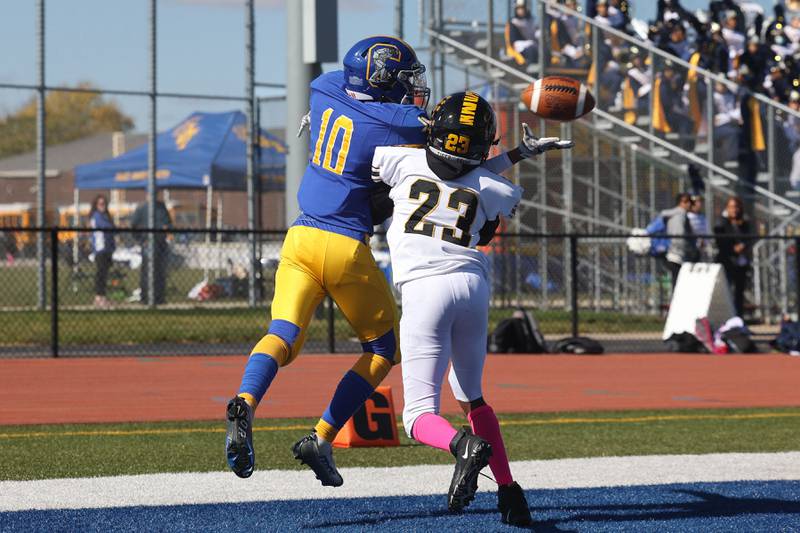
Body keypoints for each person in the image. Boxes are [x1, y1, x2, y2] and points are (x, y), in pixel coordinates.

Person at [224, 35, 569, 488]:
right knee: (384, 351)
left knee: (282, 335)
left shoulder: (324, 88)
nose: (413, 90)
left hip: (300, 237)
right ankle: (321, 436)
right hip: (346, 245)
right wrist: (516, 154)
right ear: (383, 78)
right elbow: (456, 157)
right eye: (406, 80)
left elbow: (362, 105)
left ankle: (245, 401)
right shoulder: (401, 126)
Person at [372, 92, 571, 525]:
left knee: (419, 415)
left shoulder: (398, 161)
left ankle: (463, 447)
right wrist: (516, 155)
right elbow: (472, 178)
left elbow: (444, 168)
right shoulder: (497, 186)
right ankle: (510, 491)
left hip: (426, 289)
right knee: (471, 397)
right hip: (472, 285)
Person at [131, 190, 172, 305]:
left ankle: (159, 297)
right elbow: (133, 226)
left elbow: (168, 223)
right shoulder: (142, 208)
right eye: (150, 194)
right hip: (147, 243)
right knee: (146, 271)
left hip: (160, 243)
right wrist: (140, 240)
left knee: (160, 271)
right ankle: (145, 297)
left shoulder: (161, 207)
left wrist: (166, 229)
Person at [715, 196, 752, 316]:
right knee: (727, 292)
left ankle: (739, 320)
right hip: (728, 262)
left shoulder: (744, 223)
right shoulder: (722, 223)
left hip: (741, 263)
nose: (734, 210)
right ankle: (727, 319)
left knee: (739, 293)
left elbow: (749, 239)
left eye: (736, 207)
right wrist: (733, 248)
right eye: (731, 207)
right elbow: (720, 242)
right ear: (727, 208)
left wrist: (743, 247)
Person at [660, 192, 699, 288]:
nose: (689, 204)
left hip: (677, 255)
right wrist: (689, 250)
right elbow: (678, 237)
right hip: (676, 255)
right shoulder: (679, 216)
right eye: (686, 201)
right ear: (680, 203)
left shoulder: (682, 215)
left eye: (690, 201)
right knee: (678, 286)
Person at [89, 195, 115, 307]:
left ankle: (102, 297)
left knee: (104, 274)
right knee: (101, 273)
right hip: (101, 248)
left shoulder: (105, 216)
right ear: (96, 205)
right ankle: (99, 298)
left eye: (104, 203)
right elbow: (106, 227)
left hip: (107, 248)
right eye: (100, 204)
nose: (103, 206)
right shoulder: (96, 216)